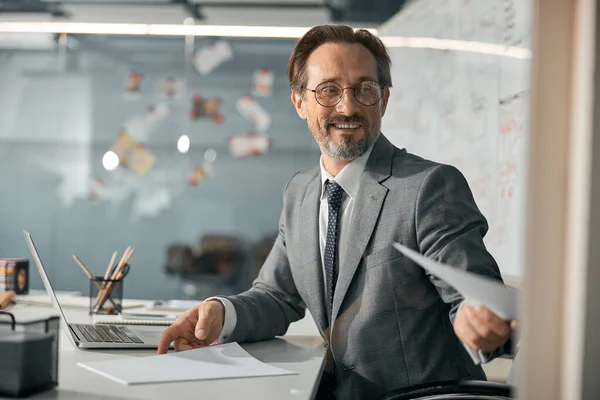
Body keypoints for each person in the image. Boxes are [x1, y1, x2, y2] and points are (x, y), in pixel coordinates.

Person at [158, 24, 516, 399]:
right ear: (300, 102)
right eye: (329, 90)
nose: (348, 107)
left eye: (364, 89)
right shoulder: (300, 191)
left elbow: (474, 299)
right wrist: (219, 313)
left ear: (384, 99)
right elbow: (277, 295)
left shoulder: (428, 186)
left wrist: (482, 323)